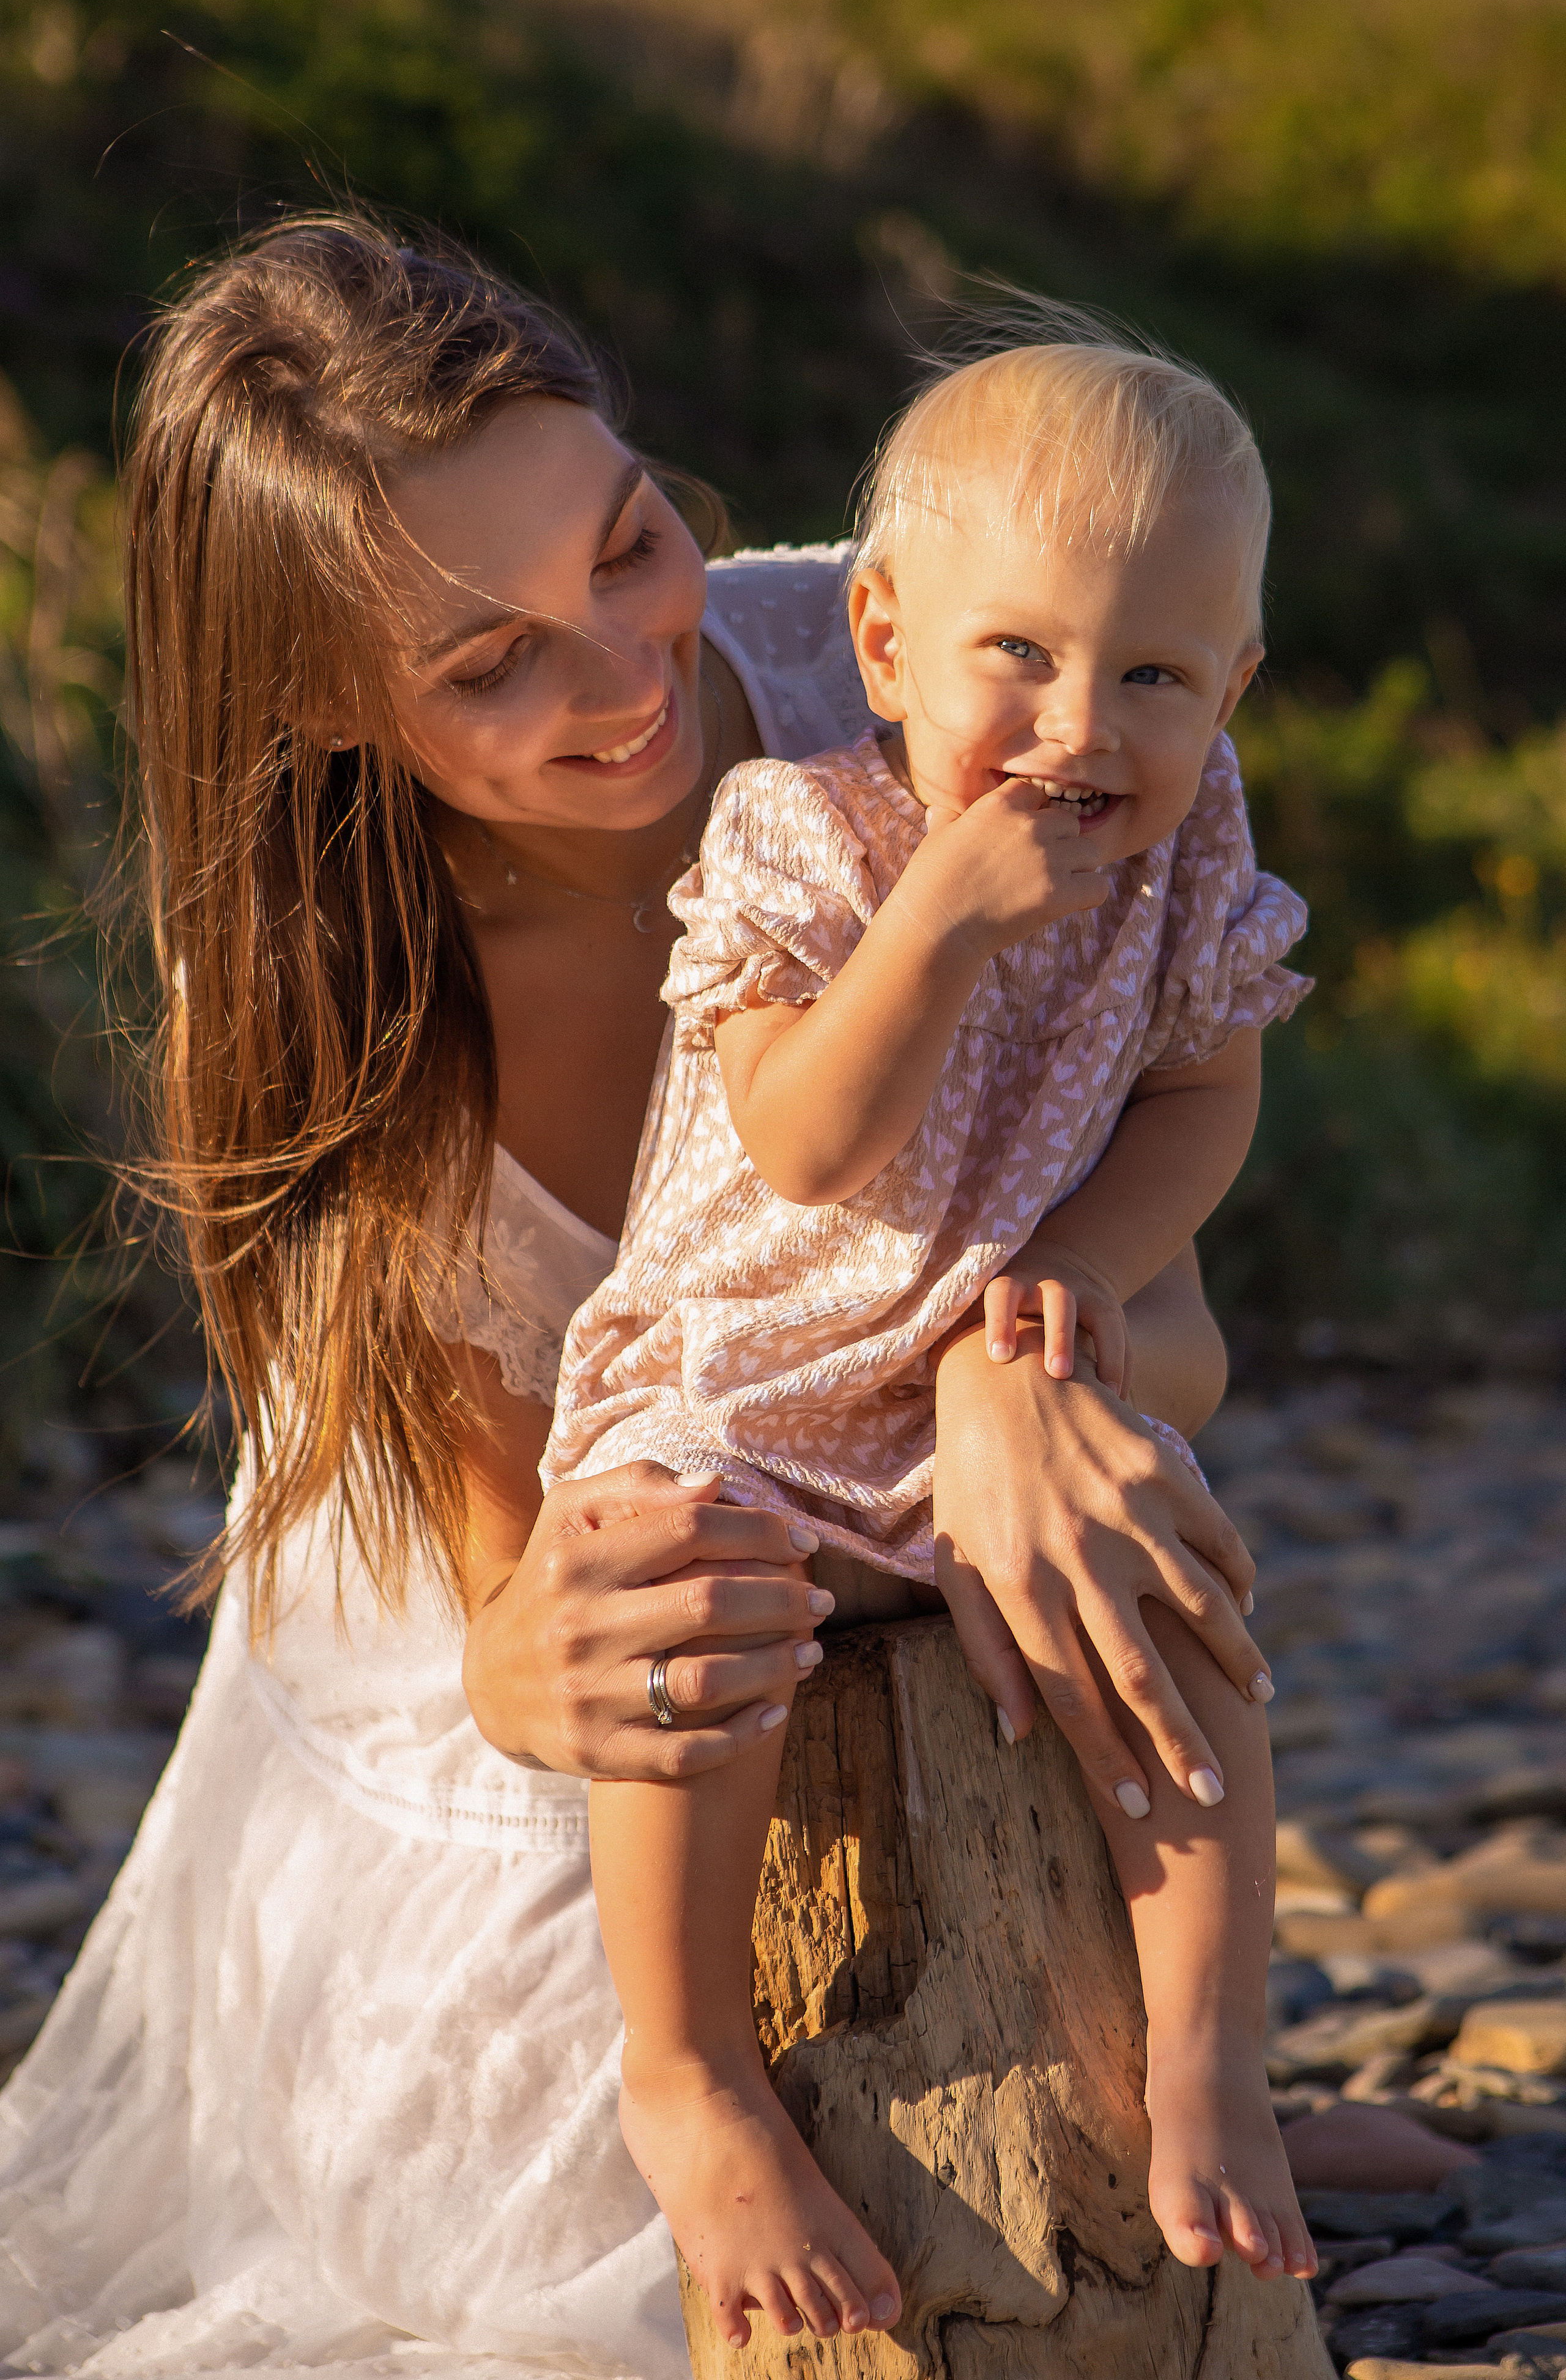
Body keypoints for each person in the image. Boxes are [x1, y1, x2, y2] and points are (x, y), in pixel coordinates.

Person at [0, 221, 1266, 2380]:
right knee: (607, 2180)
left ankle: (1195, 2064)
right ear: (324, 701)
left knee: (1140, 1602)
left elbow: (1188, 1316)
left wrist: (1012, 1354)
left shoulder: (922, 671)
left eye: (629, 542)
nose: (618, 675)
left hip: (884, 1455)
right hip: (539, 1643)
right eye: (484, 666)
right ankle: (730, 2099)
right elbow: (505, 1610)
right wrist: (554, 1658)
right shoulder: (318, 1012)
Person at [544, 327, 1318, 2346]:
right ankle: (691, 2071)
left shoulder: (1193, 858)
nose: (1084, 725)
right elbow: (803, 1141)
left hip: (987, 1378)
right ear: (883, 641)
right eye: (1023, 658)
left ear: (1232, 689)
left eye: (1156, 674)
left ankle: (1209, 2055)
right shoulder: (799, 832)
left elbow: (1201, 1101)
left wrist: (1074, 1262)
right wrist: (944, 921)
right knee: (695, 1620)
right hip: (754, 1376)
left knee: (1185, 1644)